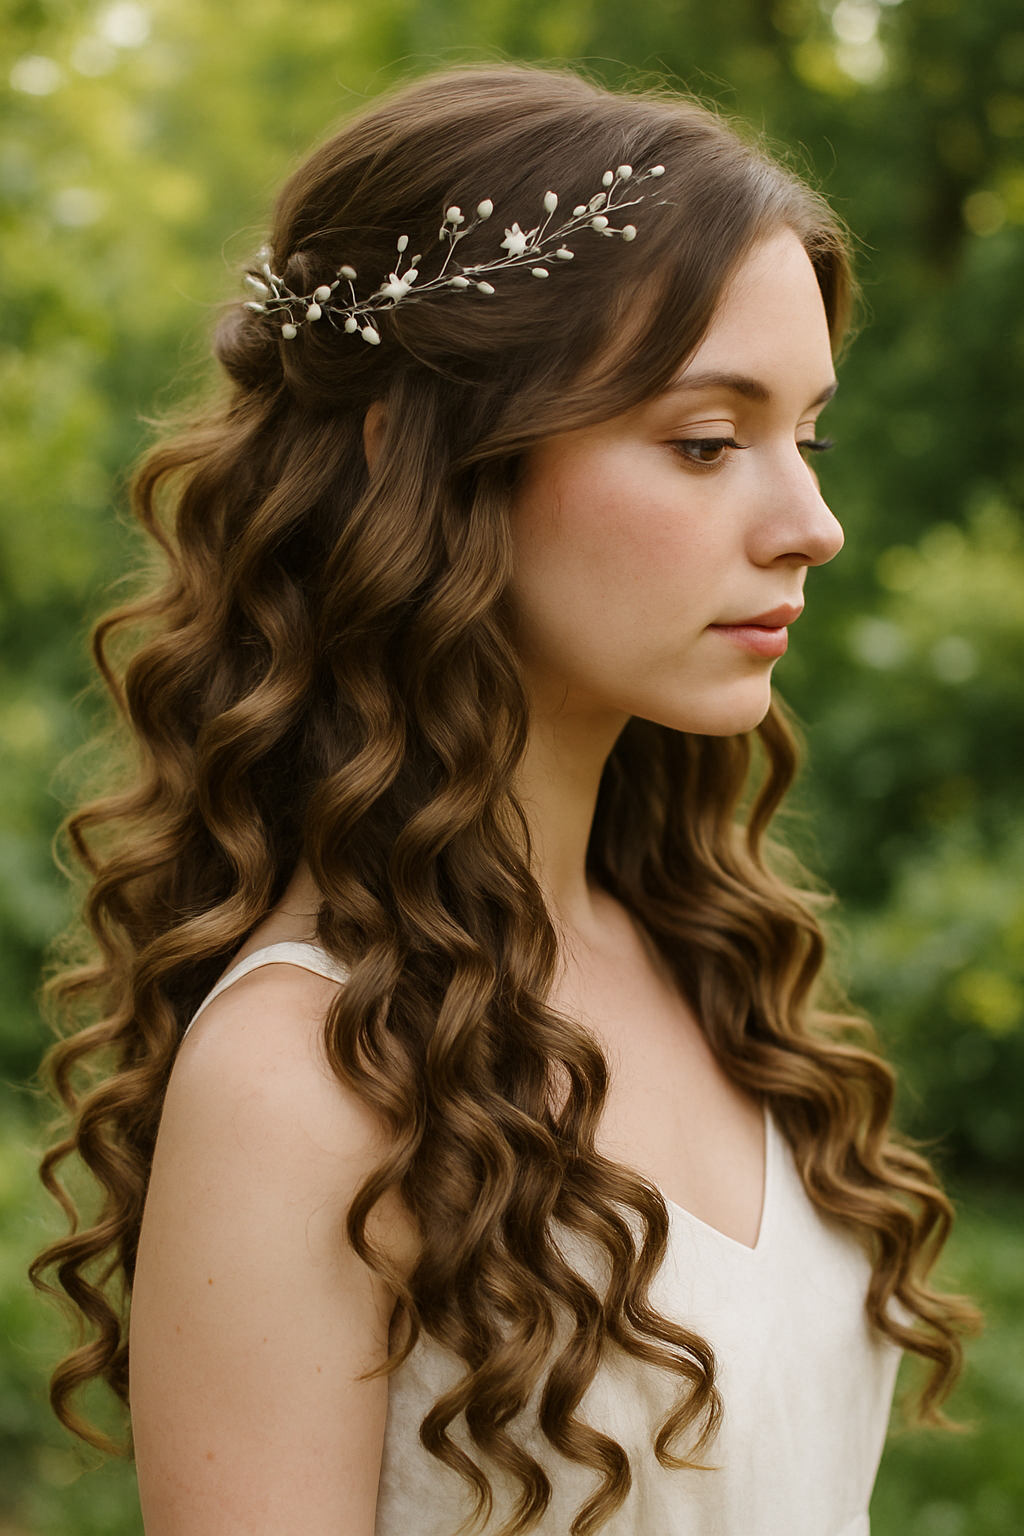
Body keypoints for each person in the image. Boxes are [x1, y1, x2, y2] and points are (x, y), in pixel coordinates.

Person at [33, 64, 975, 1536]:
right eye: (708, 442)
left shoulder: (704, 960)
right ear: (418, 460)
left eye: (813, 436)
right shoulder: (302, 1079)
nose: (815, 524)